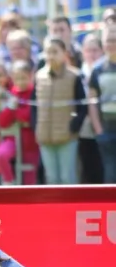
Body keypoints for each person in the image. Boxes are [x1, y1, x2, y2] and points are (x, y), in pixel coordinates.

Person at [31, 37, 87, 185]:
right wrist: (35, 127)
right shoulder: (38, 76)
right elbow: (33, 106)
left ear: (64, 53)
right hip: (45, 136)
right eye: (48, 52)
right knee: (52, 179)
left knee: (67, 178)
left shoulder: (74, 76)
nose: (51, 56)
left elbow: (83, 106)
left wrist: (74, 126)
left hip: (67, 137)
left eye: (55, 52)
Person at [0, 60, 39, 185]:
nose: (20, 82)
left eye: (24, 78)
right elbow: (2, 122)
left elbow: (28, 117)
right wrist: (11, 108)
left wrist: (15, 112)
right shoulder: (11, 93)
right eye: (17, 78)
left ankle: (29, 203)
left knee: (29, 179)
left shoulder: (34, 93)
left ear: (31, 76)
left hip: (30, 142)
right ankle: (9, 182)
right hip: (13, 138)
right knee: (1, 155)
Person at [88, 25, 116, 184]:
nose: (111, 44)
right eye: (107, 41)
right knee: (111, 172)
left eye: (114, 40)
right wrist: (98, 129)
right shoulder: (97, 69)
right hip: (107, 131)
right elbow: (92, 102)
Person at [78, 34, 104, 184]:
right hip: (85, 130)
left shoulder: (104, 69)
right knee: (89, 167)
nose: (92, 54)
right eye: (88, 50)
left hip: (105, 126)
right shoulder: (78, 73)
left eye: (95, 50)